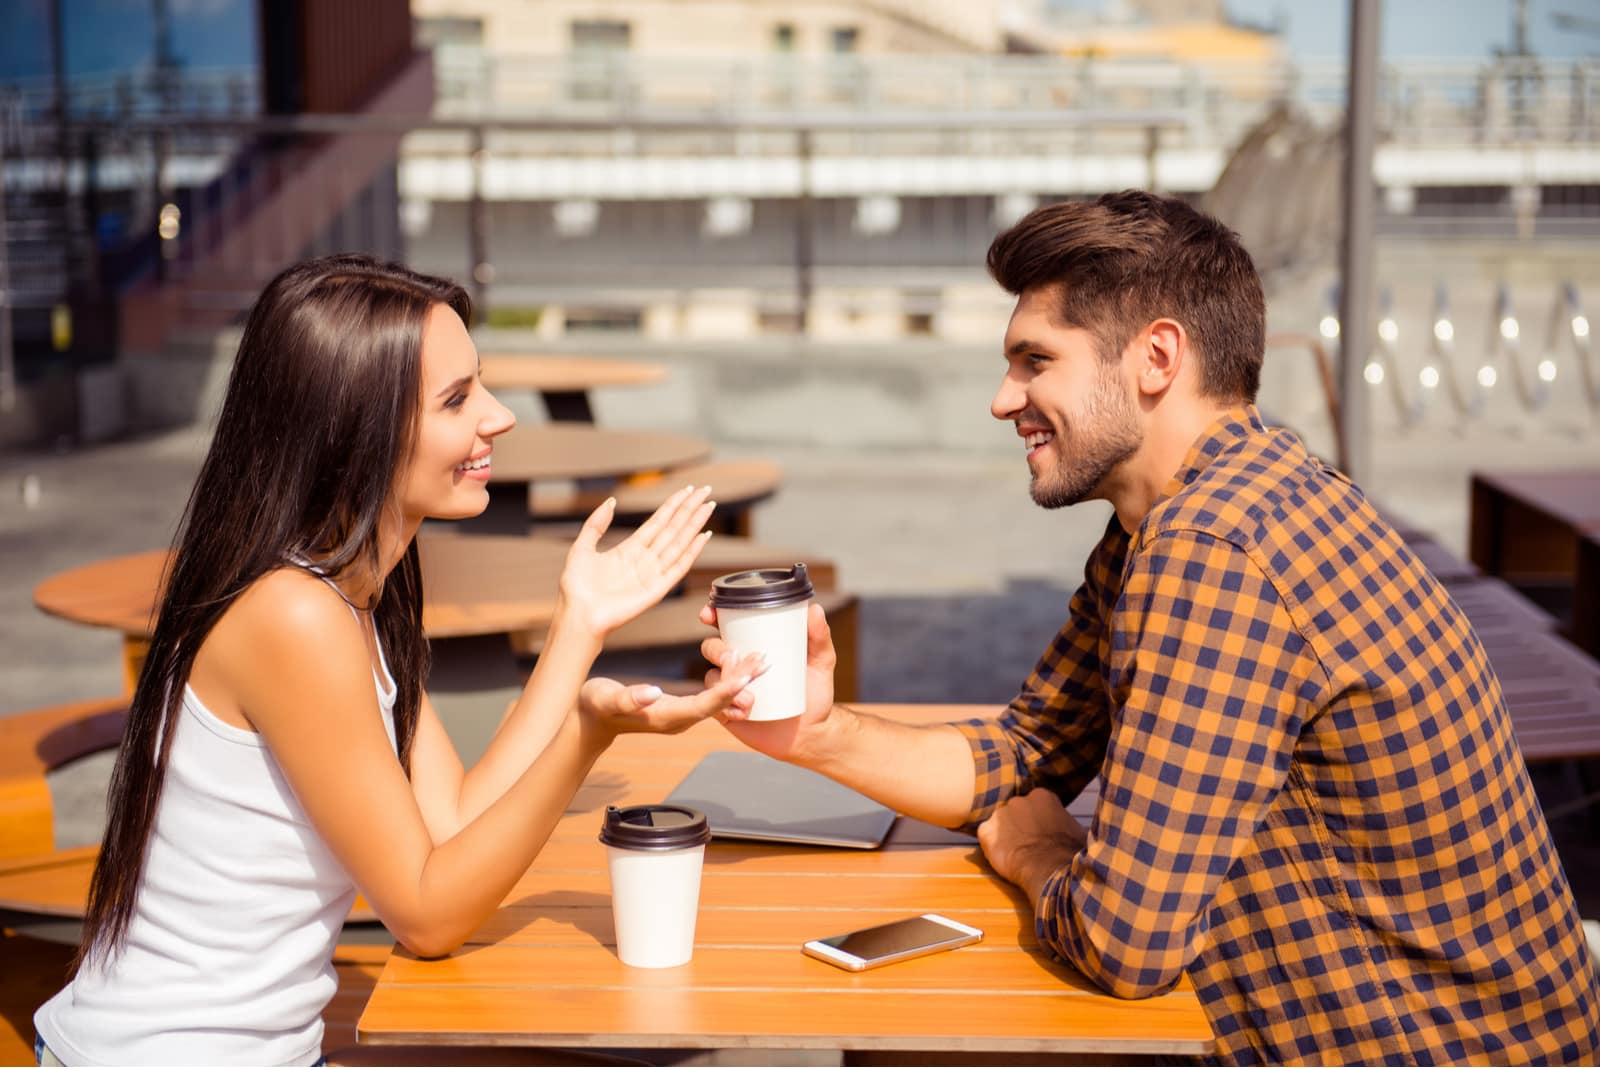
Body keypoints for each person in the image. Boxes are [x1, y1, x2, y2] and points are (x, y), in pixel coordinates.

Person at [700, 191, 1600, 1065]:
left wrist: (1044, 853)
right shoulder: (1189, 511)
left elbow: (1124, 941)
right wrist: (814, 733)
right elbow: (1031, 750)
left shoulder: (1215, 547)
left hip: (1423, 1051)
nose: (1002, 399)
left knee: (915, 1044)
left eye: (1035, 360)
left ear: (1156, 357)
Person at [34, 254, 764, 1066]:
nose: (498, 418)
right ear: (356, 428)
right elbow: (426, 914)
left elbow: (450, 824)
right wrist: (587, 735)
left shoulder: (345, 595)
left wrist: (579, 626)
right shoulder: (295, 615)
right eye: (457, 400)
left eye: (479, 385)